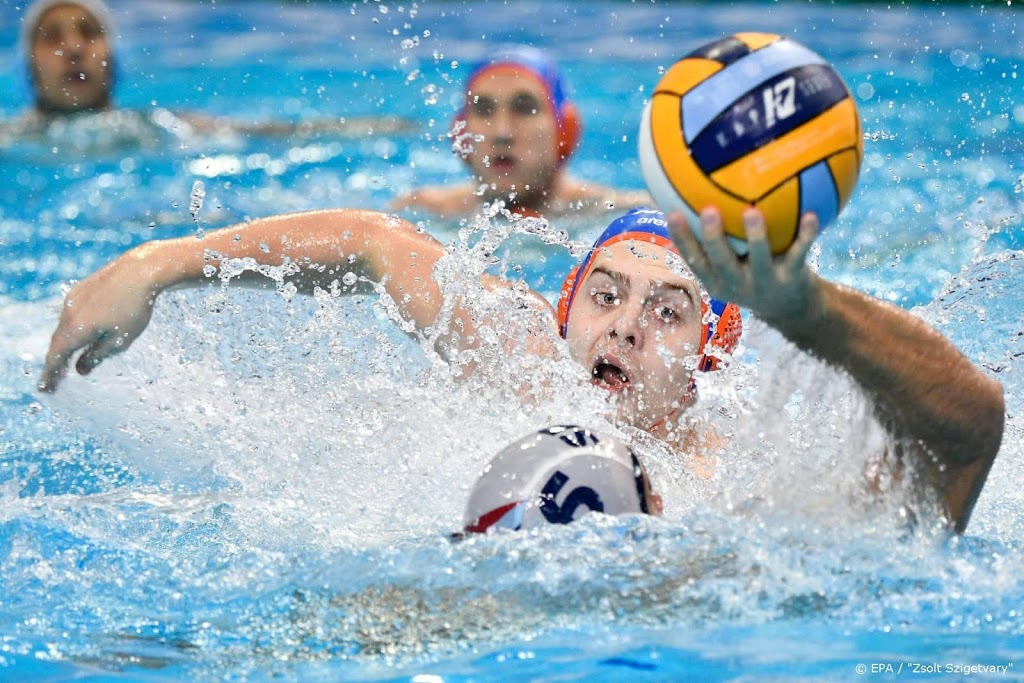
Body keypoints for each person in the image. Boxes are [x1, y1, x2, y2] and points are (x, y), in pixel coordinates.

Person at [38, 204, 1005, 534]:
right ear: (563, 308)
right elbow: (377, 245)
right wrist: (151, 265)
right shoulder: (521, 363)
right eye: (606, 294)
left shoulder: (755, 475)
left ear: (717, 346)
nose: (623, 328)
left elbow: (972, 428)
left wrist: (806, 310)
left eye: (669, 310)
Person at [10, 0, 415, 139]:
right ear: (29, 62)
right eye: (52, 38)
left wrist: (362, 127)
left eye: (88, 33)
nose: (74, 48)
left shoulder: (161, 125)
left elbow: (263, 133)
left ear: (112, 58)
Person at [391, 45, 649, 218]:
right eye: (484, 110)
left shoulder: (620, 213)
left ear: (565, 131)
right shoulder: (422, 212)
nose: (502, 132)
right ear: (461, 135)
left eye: (524, 109)